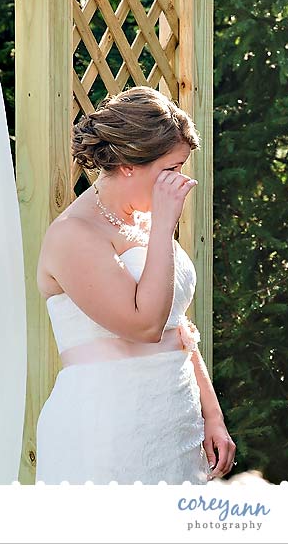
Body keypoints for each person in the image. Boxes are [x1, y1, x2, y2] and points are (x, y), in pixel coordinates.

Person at [34, 87, 235, 484]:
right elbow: (145, 326)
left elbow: (178, 327)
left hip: (176, 423)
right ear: (128, 164)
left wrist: (211, 413)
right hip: (107, 429)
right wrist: (164, 224)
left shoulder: (141, 222)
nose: (181, 182)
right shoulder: (73, 234)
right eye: (172, 169)